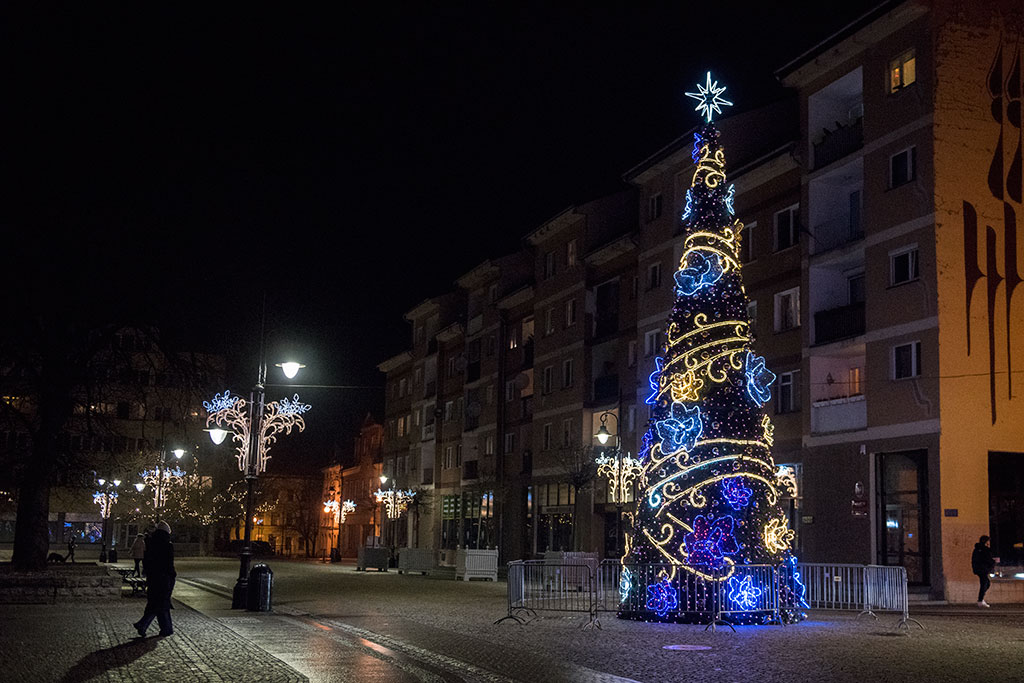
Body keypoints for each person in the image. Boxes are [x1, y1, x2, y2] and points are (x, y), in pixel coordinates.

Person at [132, 521, 176, 637]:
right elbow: (169, 564)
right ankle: (148, 625)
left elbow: (146, 561)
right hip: (164, 578)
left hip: (153, 577)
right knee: (161, 604)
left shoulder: (150, 543)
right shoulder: (167, 545)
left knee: (156, 602)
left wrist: (149, 573)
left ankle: (147, 625)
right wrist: (172, 576)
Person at [971, 534, 996, 607]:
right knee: (985, 583)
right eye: (988, 541)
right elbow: (988, 559)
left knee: (986, 583)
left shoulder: (977, 549)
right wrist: (993, 562)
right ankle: (980, 600)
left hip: (979, 569)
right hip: (983, 569)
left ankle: (981, 599)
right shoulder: (985, 550)